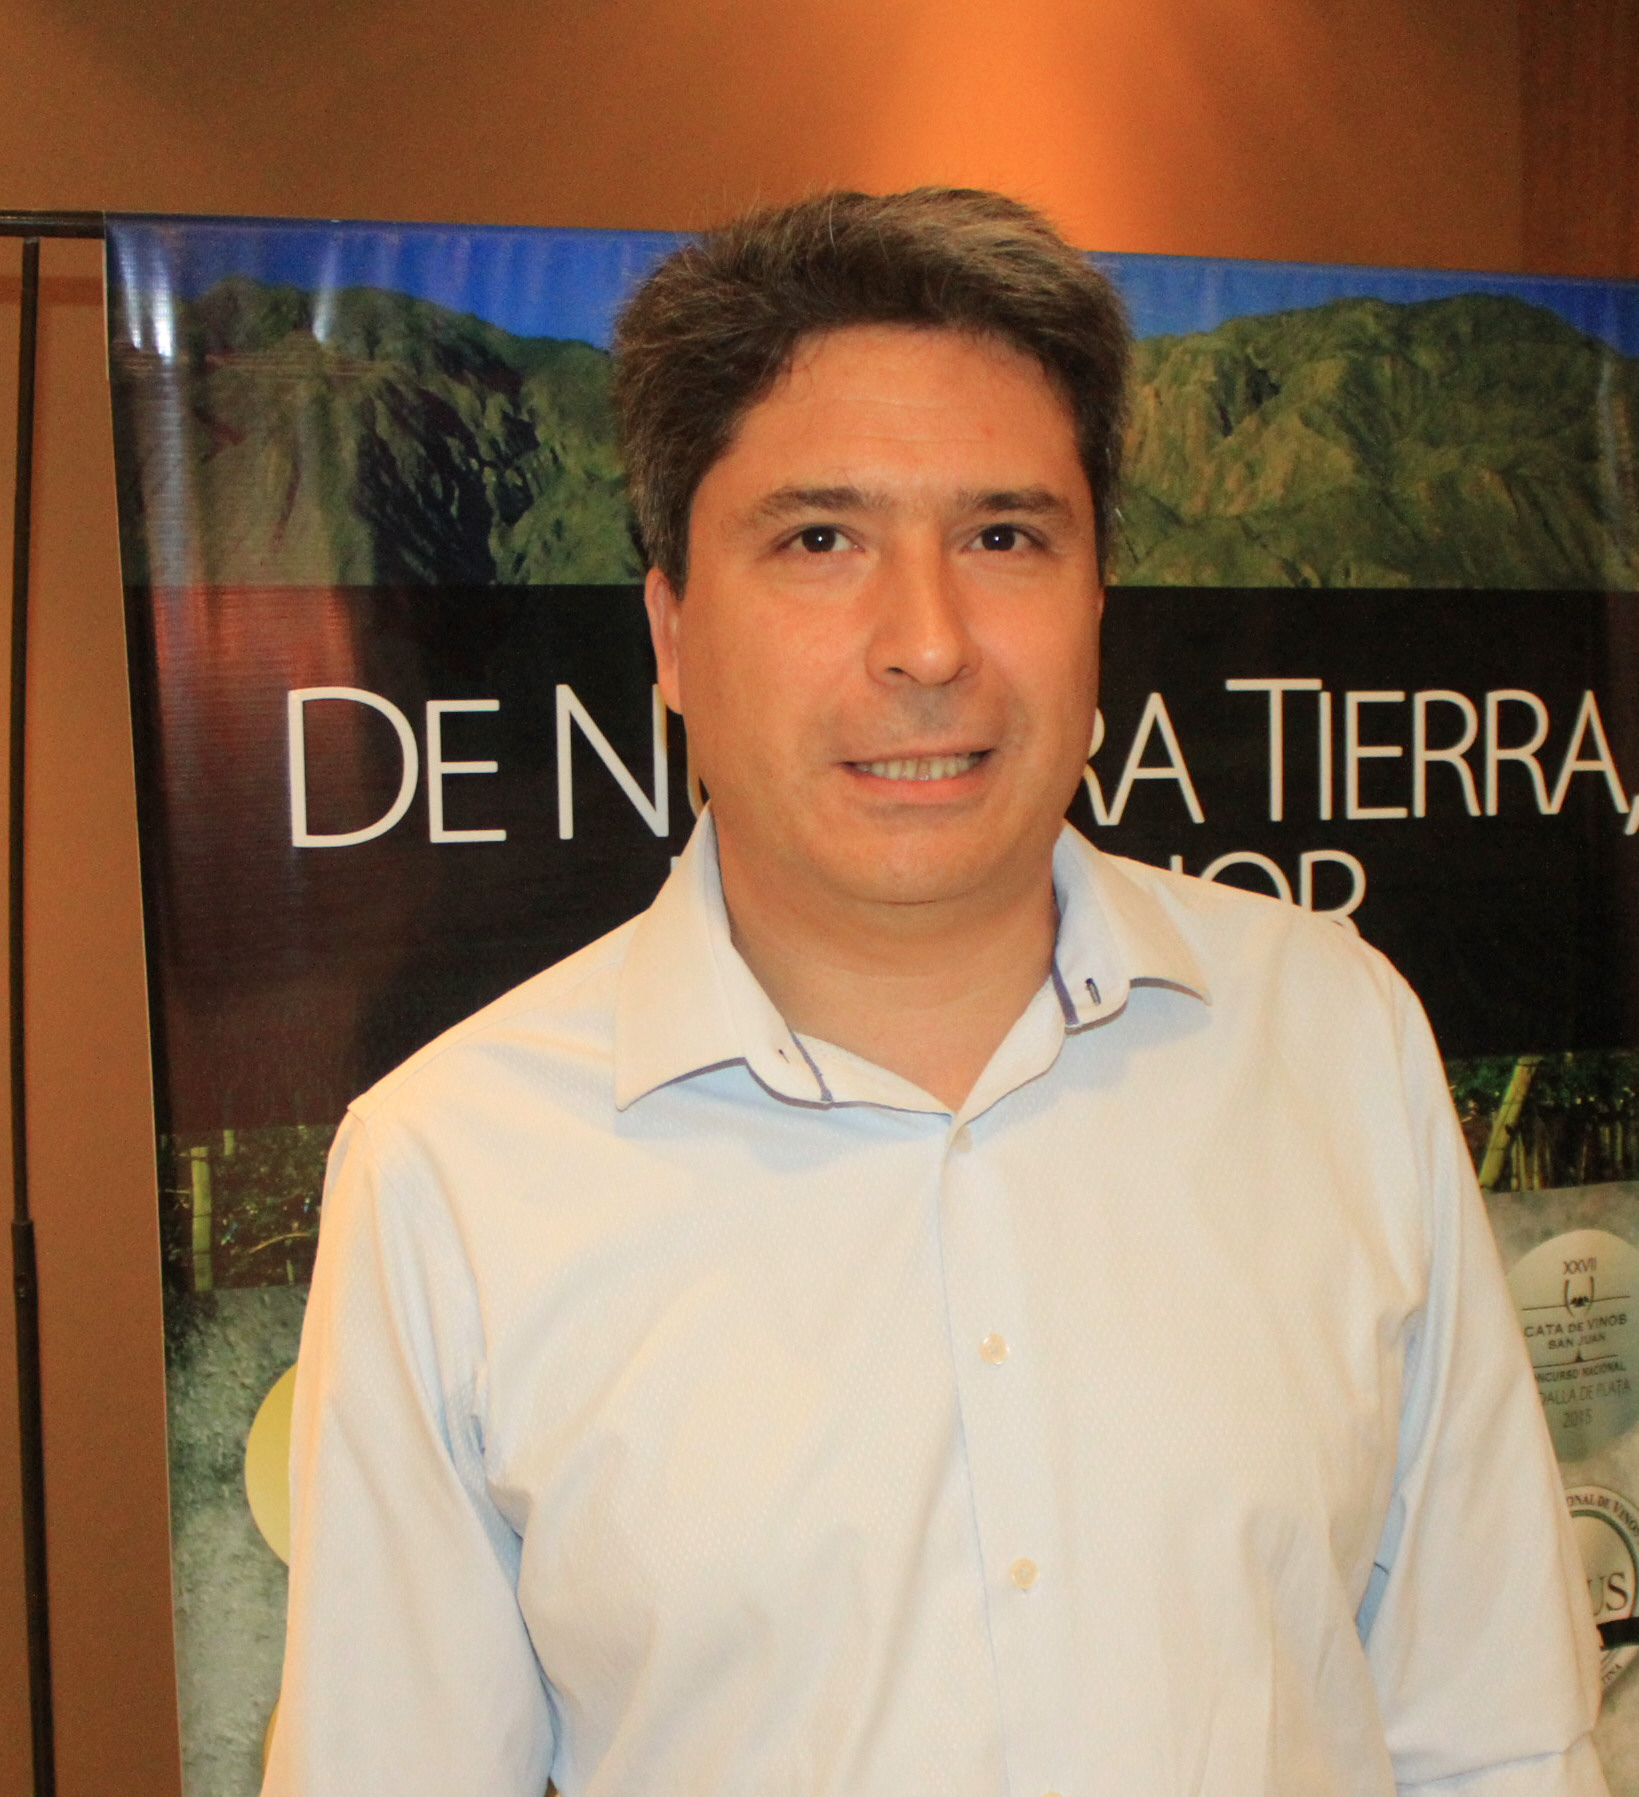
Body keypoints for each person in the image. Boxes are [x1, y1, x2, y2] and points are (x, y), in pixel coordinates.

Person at [264, 189, 1605, 1797]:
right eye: (820, 540)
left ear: (1100, 599)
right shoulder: (453, 1172)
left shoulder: (1334, 1038)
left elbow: (1496, 1732)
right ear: (671, 630)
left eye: (1003, 537)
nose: (928, 642)